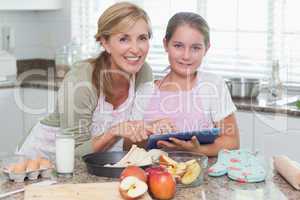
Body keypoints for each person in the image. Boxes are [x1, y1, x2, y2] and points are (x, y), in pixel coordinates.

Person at [17, 2, 175, 158]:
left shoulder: (143, 72)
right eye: (124, 39)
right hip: (41, 162)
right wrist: (112, 132)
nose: (135, 49)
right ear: (105, 42)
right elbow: (73, 154)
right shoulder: (81, 80)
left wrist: (149, 128)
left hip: (90, 164)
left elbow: (129, 144)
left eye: (142, 38)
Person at [130, 12, 240, 156]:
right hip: (153, 174)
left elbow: (232, 141)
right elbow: (128, 146)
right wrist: (148, 128)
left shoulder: (213, 86)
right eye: (178, 46)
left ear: (206, 49)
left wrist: (199, 150)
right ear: (166, 44)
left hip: (198, 172)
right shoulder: (145, 91)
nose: (186, 56)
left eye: (195, 48)